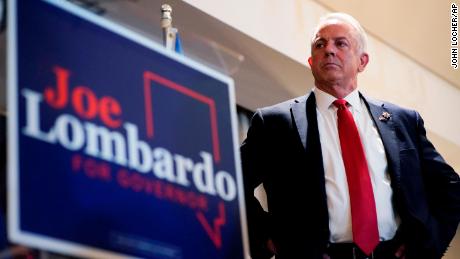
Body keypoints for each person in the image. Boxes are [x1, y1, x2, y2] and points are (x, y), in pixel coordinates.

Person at [241, 12, 460, 259]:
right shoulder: (274, 122)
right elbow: (233, 179)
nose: (329, 50)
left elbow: (451, 187)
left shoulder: (403, 121)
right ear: (311, 61)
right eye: (320, 44)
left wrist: (426, 246)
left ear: (362, 61)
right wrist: (266, 236)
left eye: (340, 43)